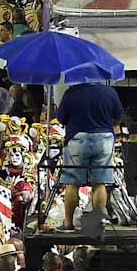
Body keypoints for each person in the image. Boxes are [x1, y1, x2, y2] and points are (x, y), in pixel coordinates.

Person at [53, 77, 123, 233]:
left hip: (77, 139)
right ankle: (97, 224)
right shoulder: (109, 92)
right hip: (104, 139)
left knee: (72, 183)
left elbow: (61, 118)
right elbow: (118, 115)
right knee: (100, 183)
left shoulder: (71, 94)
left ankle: (68, 224)